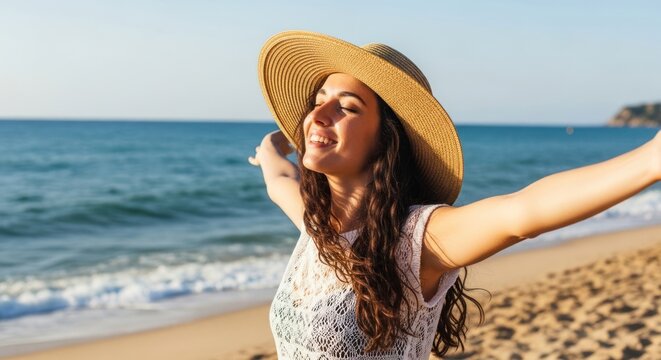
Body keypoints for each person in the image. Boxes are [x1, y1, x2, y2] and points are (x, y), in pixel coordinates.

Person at [248, 30, 661, 359]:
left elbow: (521, 214)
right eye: (318, 102)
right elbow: (278, 179)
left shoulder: (415, 241)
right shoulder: (315, 227)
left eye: (348, 107)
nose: (319, 114)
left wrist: (650, 161)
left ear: (386, 141)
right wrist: (272, 147)